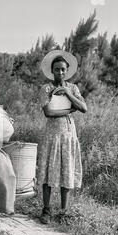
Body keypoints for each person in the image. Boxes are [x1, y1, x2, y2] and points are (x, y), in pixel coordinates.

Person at [37, 50, 87, 224]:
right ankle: (46, 209)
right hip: (52, 136)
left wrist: (67, 93)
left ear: (67, 71)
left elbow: (84, 108)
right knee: (47, 171)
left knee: (67, 170)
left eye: (63, 69)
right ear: (52, 71)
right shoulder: (47, 88)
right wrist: (70, 110)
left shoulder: (73, 88)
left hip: (68, 135)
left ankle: (64, 211)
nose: (60, 72)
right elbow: (49, 112)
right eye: (57, 69)